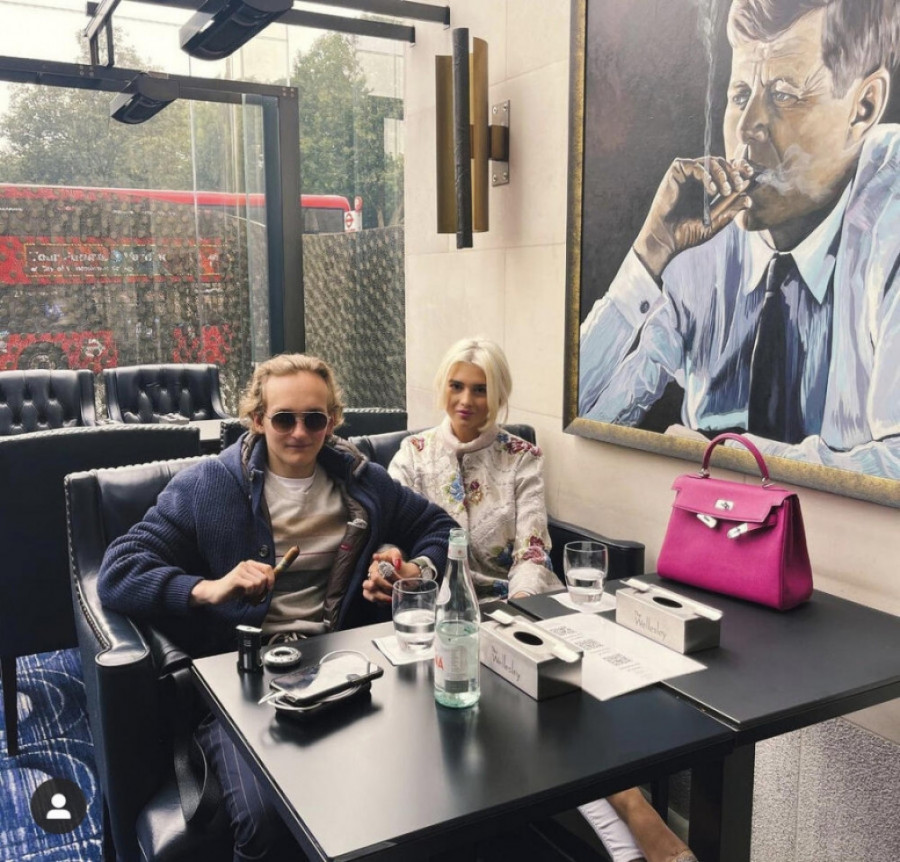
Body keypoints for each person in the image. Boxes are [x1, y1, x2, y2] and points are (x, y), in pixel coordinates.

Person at [98, 353, 457, 862]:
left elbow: (440, 528)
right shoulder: (207, 486)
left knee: (418, 782)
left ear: (333, 420)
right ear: (257, 419)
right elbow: (119, 570)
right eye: (284, 419)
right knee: (266, 821)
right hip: (245, 680)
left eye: (314, 419)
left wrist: (413, 570)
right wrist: (208, 589)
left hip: (347, 666)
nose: (299, 433)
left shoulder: (365, 482)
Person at [376, 337, 695, 862]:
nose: (466, 400)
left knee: (547, 688)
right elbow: (393, 539)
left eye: (481, 389)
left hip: (519, 604)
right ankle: (631, 817)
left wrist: (515, 612)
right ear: (442, 387)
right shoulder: (412, 457)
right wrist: (401, 568)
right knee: (542, 703)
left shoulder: (521, 457)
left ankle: (627, 832)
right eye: (457, 386)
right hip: (444, 616)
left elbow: (532, 549)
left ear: (499, 395)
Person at [578, 0, 900, 478]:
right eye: (740, 93)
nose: (747, 128)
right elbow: (582, 412)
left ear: (864, 106)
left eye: (784, 95)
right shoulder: (704, 232)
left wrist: (723, 458)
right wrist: (651, 252)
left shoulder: (890, 214)